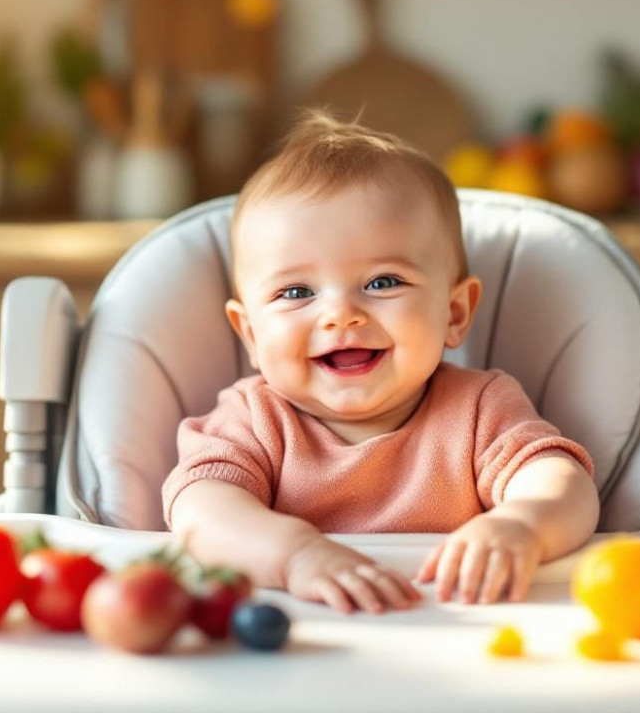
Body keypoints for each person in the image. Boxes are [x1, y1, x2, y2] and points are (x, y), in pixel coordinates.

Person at [162, 110, 598, 614]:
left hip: (454, 632)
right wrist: (295, 555)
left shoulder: (480, 409)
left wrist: (521, 525)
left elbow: (564, 485)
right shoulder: (253, 421)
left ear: (455, 313)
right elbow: (200, 510)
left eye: (383, 282)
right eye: (296, 292)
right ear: (252, 335)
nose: (341, 314)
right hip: (302, 639)